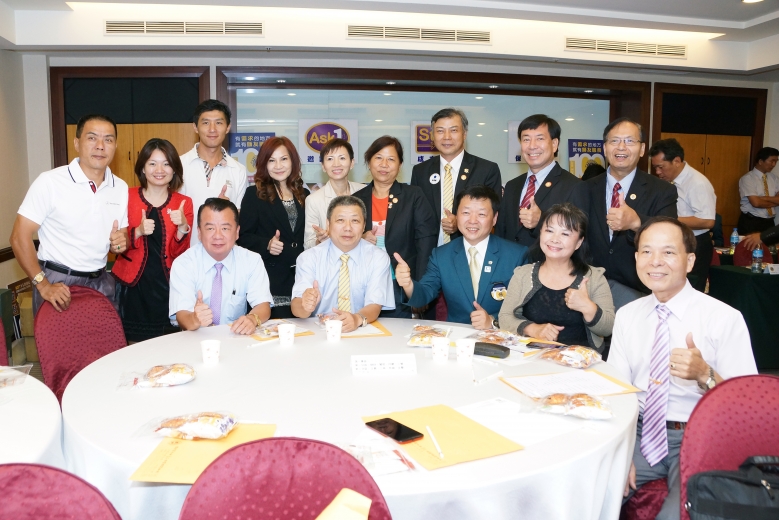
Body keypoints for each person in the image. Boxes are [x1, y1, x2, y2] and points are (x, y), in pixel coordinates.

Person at [609, 217, 757, 520]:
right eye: (646, 251)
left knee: (678, 514)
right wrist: (619, 452)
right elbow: (617, 392)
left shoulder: (723, 318)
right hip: (638, 432)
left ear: (689, 261)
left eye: (668, 252)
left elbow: (747, 406)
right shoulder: (627, 315)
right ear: (636, 258)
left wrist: (705, 374)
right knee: (590, 493)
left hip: (698, 435)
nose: (655, 262)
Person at [10, 114, 129, 314]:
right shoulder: (50, 182)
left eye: (108, 140)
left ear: (115, 146)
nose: (100, 146)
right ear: (76, 143)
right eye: (92, 138)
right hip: (58, 282)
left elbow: (121, 237)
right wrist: (43, 285)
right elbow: (18, 237)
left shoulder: (121, 187)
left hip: (101, 282)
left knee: (107, 335)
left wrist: (120, 243)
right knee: (57, 336)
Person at [574, 117, 677, 310]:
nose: (621, 147)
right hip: (589, 290)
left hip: (640, 291)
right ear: (605, 148)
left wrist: (637, 222)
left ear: (642, 149)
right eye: (614, 141)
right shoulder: (584, 188)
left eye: (629, 141)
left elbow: (671, 235)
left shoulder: (662, 190)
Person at [395, 185, 528, 329]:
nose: (472, 220)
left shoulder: (516, 255)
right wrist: (408, 284)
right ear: (456, 215)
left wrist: (493, 322)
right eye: (466, 213)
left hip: (501, 336)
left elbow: (524, 309)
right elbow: (424, 295)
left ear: (495, 218)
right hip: (457, 335)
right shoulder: (442, 255)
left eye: (481, 214)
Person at [498, 203, 614, 352]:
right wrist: (533, 329)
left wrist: (587, 307)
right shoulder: (522, 274)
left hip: (579, 360)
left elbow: (608, 328)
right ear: (541, 233)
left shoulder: (594, 277)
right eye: (549, 230)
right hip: (531, 358)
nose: (555, 239)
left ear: (579, 242)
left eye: (565, 234)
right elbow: (505, 317)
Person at [112, 138, 194, 341]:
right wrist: (137, 232)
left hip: (167, 286)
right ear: (143, 168)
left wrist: (182, 227)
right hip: (132, 286)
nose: (159, 170)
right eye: (152, 163)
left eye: (166, 164)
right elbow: (116, 245)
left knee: (168, 345)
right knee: (131, 345)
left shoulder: (184, 203)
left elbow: (180, 254)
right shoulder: (126, 196)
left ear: (174, 169)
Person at [353, 136, 438, 317]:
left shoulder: (413, 195)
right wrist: (360, 238)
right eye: (378, 158)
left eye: (391, 159)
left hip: (399, 283)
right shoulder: (357, 199)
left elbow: (426, 243)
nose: (384, 164)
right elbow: (346, 241)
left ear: (400, 165)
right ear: (369, 162)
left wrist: (418, 288)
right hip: (364, 284)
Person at [290, 195, 395, 332]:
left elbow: (374, 305)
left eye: (355, 221)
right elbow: (297, 307)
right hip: (319, 332)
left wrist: (356, 319)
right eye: (340, 220)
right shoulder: (309, 258)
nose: (348, 228)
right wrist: (305, 306)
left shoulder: (378, 257)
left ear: (364, 225)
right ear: (328, 224)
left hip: (361, 330)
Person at [169, 198, 272, 335]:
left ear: (237, 232)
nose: (218, 236)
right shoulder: (184, 264)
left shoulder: (252, 260)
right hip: (195, 339)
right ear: (199, 232)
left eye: (225, 228)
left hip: (235, 338)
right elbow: (182, 315)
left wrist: (252, 319)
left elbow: (263, 304)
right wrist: (195, 318)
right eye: (210, 228)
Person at [237, 137, 307, 319]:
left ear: (292, 161)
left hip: (301, 280)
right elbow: (243, 237)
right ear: (263, 164)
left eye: (284, 159)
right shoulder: (254, 194)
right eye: (271, 160)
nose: (278, 166)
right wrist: (267, 244)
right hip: (271, 279)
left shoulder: (304, 194)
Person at [410, 108, 502, 246]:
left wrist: (460, 222)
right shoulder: (420, 171)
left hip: (471, 250)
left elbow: (494, 215)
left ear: (464, 134)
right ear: (433, 136)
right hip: (429, 252)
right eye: (440, 131)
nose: (447, 137)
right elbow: (415, 217)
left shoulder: (487, 170)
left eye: (453, 130)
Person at [496, 114, 580, 247]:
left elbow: (577, 235)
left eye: (540, 139)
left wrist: (541, 221)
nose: (532, 146)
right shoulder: (512, 185)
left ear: (554, 144)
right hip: (510, 259)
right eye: (526, 139)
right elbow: (501, 231)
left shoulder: (574, 187)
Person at [648, 138, 715, 292]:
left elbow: (707, 220)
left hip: (695, 243)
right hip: (675, 241)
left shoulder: (697, 183)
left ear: (677, 161)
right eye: (655, 168)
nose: (658, 172)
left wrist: (668, 218)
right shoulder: (667, 183)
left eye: (661, 167)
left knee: (690, 290)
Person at [180, 99, 248, 246]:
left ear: (228, 127)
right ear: (195, 127)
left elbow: (240, 219)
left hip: (224, 252)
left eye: (218, 123)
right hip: (186, 253)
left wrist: (228, 209)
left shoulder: (239, 170)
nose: (212, 129)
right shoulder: (178, 166)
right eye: (205, 123)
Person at [303, 138, 365, 249]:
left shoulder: (364, 191)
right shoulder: (313, 200)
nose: (336, 164)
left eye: (342, 158)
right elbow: (308, 244)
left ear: (352, 163)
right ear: (323, 166)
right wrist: (319, 241)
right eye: (330, 159)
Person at [737, 146, 779, 234]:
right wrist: (774, 201)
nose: (774, 165)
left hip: (769, 222)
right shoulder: (747, 178)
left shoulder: (774, 178)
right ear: (760, 161)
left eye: (776, 161)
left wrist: (764, 198)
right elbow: (756, 203)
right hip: (751, 221)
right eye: (772, 161)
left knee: (770, 243)